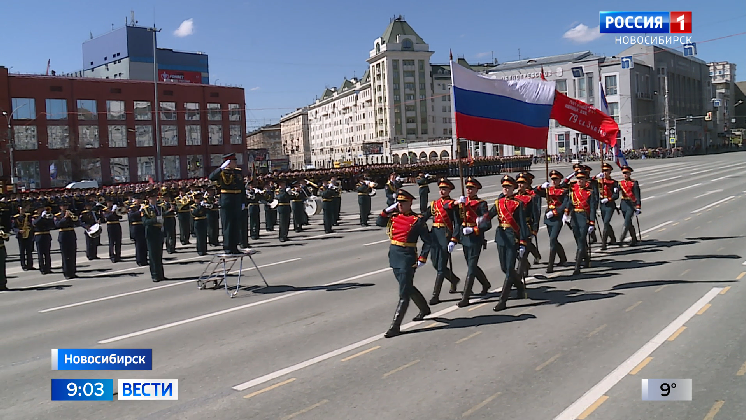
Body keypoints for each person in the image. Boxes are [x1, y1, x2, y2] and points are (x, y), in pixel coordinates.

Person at [376, 189, 432, 338]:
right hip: (394, 255)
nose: (400, 205)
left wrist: (422, 258)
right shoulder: (393, 217)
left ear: (410, 203)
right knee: (407, 286)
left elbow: (428, 241)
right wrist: (385, 211)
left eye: (403, 202)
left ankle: (395, 326)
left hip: (407, 257)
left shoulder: (417, 220)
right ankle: (424, 308)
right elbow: (379, 223)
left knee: (403, 293)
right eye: (398, 202)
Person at [484, 176, 530, 311]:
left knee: (510, 269)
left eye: (508, 187)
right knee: (504, 268)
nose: (505, 188)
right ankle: (520, 286)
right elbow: (490, 215)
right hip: (501, 237)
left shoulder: (518, 204)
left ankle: (502, 300)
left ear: (513, 189)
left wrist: (523, 242)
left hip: (512, 238)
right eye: (504, 186)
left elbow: (522, 224)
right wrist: (480, 219)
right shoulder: (499, 202)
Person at [452, 177, 492, 307]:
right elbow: (457, 221)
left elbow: (487, 223)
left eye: (471, 188)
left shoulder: (481, 204)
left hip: (475, 237)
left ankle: (466, 296)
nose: (469, 190)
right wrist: (454, 238)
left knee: (471, 267)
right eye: (467, 188)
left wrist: (474, 229)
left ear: (476, 189)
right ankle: (485, 283)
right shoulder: (462, 202)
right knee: (471, 265)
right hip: (464, 238)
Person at [423, 178, 461, 304]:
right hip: (434, 235)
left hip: (445, 235)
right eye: (440, 189)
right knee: (434, 263)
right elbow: (424, 216)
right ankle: (453, 279)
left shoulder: (452, 204)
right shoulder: (434, 204)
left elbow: (457, 223)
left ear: (449, 190)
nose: (442, 191)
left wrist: (454, 239)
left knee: (440, 266)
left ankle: (435, 295)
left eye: (444, 189)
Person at [209, 153, 246, 254]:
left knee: (235, 224)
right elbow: (211, 177)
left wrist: (243, 201)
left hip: (237, 199)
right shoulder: (222, 172)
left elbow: (242, 188)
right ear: (228, 163)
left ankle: (234, 247)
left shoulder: (238, 172)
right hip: (227, 200)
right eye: (233, 162)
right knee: (228, 225)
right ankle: (227, 247)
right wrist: (220, 168)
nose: (236, 163)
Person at [537, 170, 570, 273]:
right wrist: (541, 187)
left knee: (552, 239)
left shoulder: (564, 191)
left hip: (557, 217)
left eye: (556, 179)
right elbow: (535, 192)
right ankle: (563, 258)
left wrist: (555, 212)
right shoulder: (548, 190)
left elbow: (565, 204)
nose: (554, 181)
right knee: (553, 240)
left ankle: (550, 265)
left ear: (560, 180)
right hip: (548, 217)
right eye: (552, 179)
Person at [566, 171, 598, 275]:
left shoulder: (590, 192)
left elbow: (592, 208)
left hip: (584, 218)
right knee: (578, 240)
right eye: (578, 179)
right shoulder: (573, 191)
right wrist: (566, 214)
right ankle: (587, 259)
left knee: (581, 242)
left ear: (585, 180)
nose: (579, 180)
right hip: (575, 217)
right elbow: (570, 203)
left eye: (582, 179)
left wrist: (592, 223)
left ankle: (577, 267)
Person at [595, 163, 620, 250]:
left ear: (610, 172)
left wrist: (609, 199)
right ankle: (612, 238)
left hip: (610, 204)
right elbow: (588, 182)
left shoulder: (614, 183)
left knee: (606, 223)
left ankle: (604, 243)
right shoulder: (599, 182)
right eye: (604, 171)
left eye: (607, 171)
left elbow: (616, 195)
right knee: (606, 223)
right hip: (602, 204)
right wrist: (596, 177)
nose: (605, 173)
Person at [141, 192, 165, 282]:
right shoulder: (145, 209)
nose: (154, 200)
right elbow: (145, 222)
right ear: (148, 199)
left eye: (155, 198)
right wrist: (155, 220)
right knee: (153, 255)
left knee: (159, 254)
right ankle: (155, 275)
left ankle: (160, 274)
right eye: (152, 198)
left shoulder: (159, 208)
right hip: (151, 233)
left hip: (159, 232)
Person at [54, 199, 78, 279]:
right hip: (63, 235)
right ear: (60, 207)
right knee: (65, 255)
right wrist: (65, 218)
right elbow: (57, 224)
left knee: (72, 254)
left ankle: (73, 272)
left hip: (71, 233)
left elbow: (77, 221)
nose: (65, 207)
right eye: (64, 206)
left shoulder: (71, 214)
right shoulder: (57, 215)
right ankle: (67, 273)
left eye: (66, 206)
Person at [618, 165, 642, 246]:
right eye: (624, 173)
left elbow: (637, 195)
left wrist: (638, 206)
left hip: (631, 204)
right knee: (629, 222)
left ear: (629, 173)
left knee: (627, 221)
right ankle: (634, 238)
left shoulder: (634, 183)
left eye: (626, 173)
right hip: (624, 204)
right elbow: (616, 193)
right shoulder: (620, 183)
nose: (625, 174)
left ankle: (621, 238)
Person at [11, 204, 35, 271]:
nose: (23, 210)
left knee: (29, 251)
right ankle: (23, 265)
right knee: (22, 251)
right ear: (19, 209)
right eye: (22, 209)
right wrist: (18, 231)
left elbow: (33, 225)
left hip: (28, 234)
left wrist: (29, 225)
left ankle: (30, 265)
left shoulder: (28, 216)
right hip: (20, 235)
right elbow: (13, 227)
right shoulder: (16, 218)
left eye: (24, 209)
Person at [32, 204, 54, 275]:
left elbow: (52, 225)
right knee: (40, 254)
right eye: (40, 209)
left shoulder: (47, 216)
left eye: (42, 209)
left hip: (46, 235)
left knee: (47, 253)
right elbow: (35, 223)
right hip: (39, 235)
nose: (42, 210)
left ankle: (48, 268)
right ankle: (42, 268)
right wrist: (41, 217)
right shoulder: (34, 217)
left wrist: (49, 218)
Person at [129, 194, 148, 266]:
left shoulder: (143, 206)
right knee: (139, 245)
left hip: (143, 226)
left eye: (141, 199)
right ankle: (139, 260)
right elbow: (132, 216)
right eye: (138, 199)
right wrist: (140, 211)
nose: (140, 201)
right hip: (136, 226)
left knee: (144, 244)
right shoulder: (132, 207)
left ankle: (145, 259)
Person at [103, 198, 123, 262]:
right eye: (109, 202)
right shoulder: (105, 210)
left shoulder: (115, 208)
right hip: (110, 225)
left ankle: (118, 255)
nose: (110, 204)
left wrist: (116, 212)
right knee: (111, 241)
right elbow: (106, 217)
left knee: (118, 241)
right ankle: (112, 256)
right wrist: (112, 212)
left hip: (117, 224)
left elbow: (120, 216)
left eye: (111, 202)